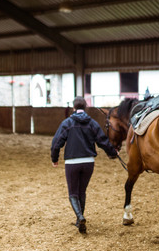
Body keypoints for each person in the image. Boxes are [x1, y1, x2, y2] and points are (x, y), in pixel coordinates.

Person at [51, 96, 118, 234]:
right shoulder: (92, 123)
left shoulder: (67, 123)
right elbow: (102, 141)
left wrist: (54, 158)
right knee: (82, 191)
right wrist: (112, 153)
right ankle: (78, 220)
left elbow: (57, 142)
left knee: (73, 193)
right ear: (85, 107)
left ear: (74, 107)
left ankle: (80, 216)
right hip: (88, 162)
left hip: (72, 162)